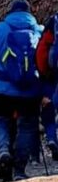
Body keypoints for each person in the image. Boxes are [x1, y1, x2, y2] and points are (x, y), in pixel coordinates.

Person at [0, 0, 42, 182]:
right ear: (29, 12)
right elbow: (46, 62)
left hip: (2, 88)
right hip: (30, 89)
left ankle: (3, 151)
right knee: (27, 127)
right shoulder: (38, 30)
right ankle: (19, 170)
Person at [35, 13, 58, 161]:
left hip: (49, 76)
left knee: (49, 109)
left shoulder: (50, 28)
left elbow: (40, 55)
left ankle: (51, 138)